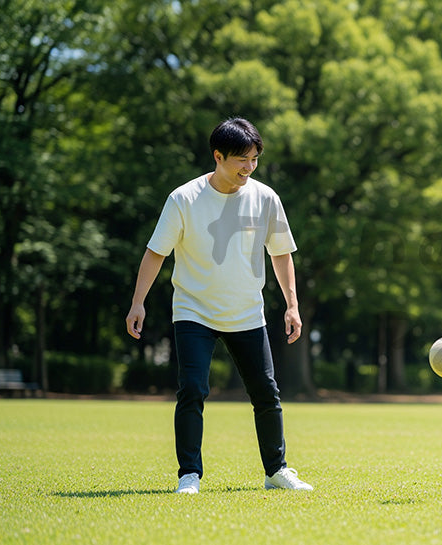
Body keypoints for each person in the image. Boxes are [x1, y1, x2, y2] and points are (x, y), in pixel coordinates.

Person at [125, 117, 313, 494]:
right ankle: (189, 475)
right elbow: (156, 252)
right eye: (242, 159)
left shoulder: (266, 198)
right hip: (194, 311)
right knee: (192, 390)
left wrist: (292, 305)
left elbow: (281, 254)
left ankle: (276, 471)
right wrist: (137, 302)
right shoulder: (184, 199)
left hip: (247, 312)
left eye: (255, 159)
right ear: (218, 156)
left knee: (266, 393)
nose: (249, 167)